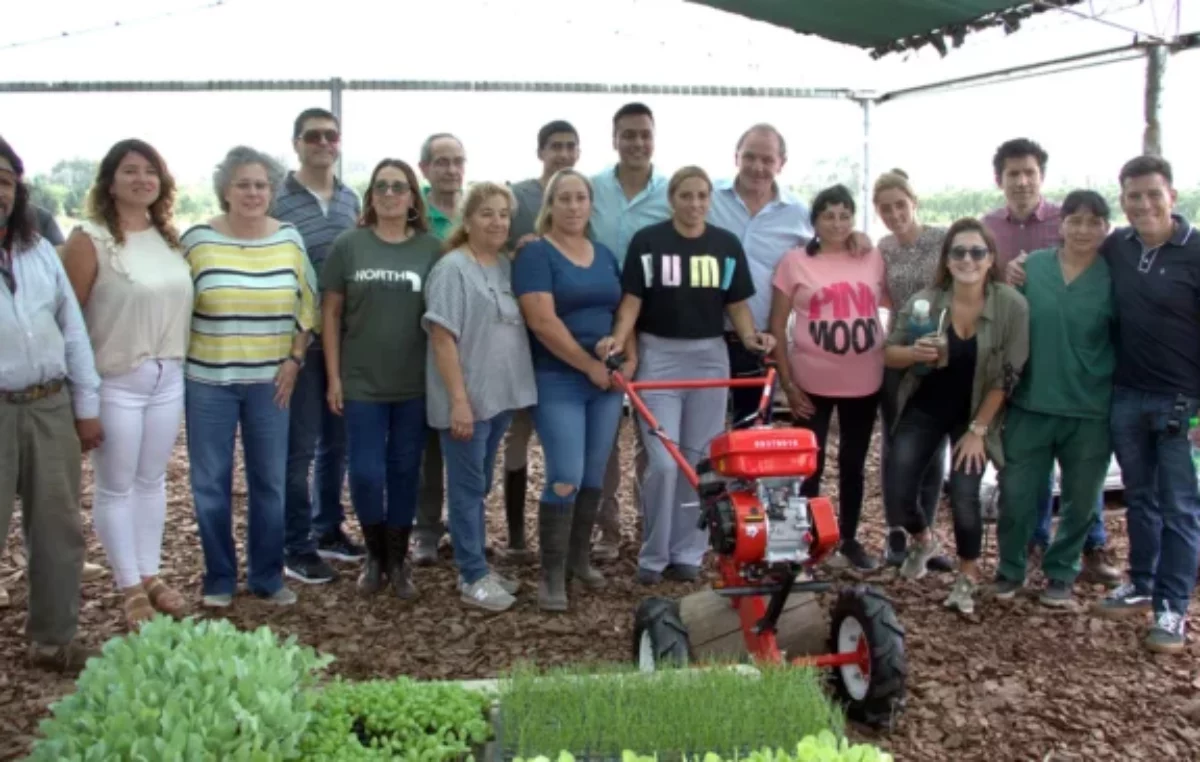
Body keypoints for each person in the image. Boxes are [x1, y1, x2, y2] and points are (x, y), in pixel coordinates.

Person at [1009, 155, 1200, 654]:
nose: (1143, 204)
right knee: (1140, 498)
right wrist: (1016, 267)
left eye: (1152, 194)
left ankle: (1172, 607)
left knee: (1180, 507)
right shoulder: (1120, 246)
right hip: (1128, 396)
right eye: (1133, 196)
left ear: (1172, 196)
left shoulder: (1196, 250)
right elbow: (1065, 261)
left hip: (1184, 401)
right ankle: (1140, 582)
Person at [598, 166, 768, 585]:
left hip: (710, 358)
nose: (694, 204)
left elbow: (738, 305)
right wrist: (618, 340)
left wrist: (751, 338)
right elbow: (632, 302)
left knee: (697, 463)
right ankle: (653, 554)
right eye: (686, 195)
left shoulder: (724, 245)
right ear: (672, 199)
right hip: (660, 358)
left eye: (702, 196)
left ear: (710, 200)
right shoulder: (648, 242)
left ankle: (688, 552)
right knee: (664, 462)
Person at [60, 139, 193, 629]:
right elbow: (69, 322)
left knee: (151, 480)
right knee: (115, 486)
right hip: (115, 380)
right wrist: (83, 401)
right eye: (130, 171)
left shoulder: (168, 239)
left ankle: (150, 572)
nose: (142, 180)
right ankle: (128, 585)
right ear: (110, 182)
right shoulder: (90, 239)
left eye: (151, 172)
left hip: (168, 376)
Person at [181, 146, 316, 609]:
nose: (253, 193)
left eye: (261, 185)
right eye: (243, 184)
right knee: (210, 483)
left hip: (270, 383)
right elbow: (178, 305)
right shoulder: (197, 240)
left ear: (272, 190)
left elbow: (308, 306)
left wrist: (295, 359)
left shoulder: (290, 238)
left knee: (270, 482)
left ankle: (266, 576)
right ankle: (218, 577)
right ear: (225, 190)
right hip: (207, 381)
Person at [982, 138, 1116, 582]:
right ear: (1062, 225)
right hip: (1032, 401)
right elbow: (1005, 324)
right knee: (1019, 492)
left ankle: (1062, 572)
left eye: (1092, 223)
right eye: (1074, 222)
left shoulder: (1114, 276)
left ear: (1105, 229)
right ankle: (1011, 568)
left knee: (1081, 498)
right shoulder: (1031, 267)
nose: (1081, 230)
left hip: (1089, 407)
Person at [888, 218, 1029, 615]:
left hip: (976, 413)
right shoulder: (927, 301)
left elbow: (1009, 375)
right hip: (927, 406)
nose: (968, 259)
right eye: (959, 252)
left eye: (977, 252)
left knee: (965, 496)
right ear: (947, 260)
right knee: (898, 494)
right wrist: (916, 354)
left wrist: (979, 431)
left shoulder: (1010, 305)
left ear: (990, 259)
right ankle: (922, 540)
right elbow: (889, 352)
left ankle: (966, 576)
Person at [0, 137, 102, 672]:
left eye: (4, 181)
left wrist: (86, 405)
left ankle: (54, 638)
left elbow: (72, 328)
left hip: (48, 404)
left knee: (58, 527)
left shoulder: (36, 248)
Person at [321, 159, 440, 600]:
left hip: (414, 384)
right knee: (368, 472)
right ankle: (374, 555)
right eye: (382, 186)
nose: (390, 193)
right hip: (361, 383)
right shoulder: (349, 246)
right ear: (371, 195)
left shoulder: (431, 249)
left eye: (400, 186)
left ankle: (398, 558)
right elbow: (330, 313)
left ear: (413, 197)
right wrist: (333, 377)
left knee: (405, 471)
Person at [513, 168, 625, 609]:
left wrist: (622, 353)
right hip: (558, 377)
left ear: (590, 204)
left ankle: (579, 559)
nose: (574, 206)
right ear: (550, 206)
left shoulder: (603, 253)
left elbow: (620, 311)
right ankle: (551, 575)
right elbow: (541, 321)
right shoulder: (537, 254)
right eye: (565, 199)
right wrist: (587, 365)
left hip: (606, 381)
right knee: (566, 474)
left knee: (594, 473)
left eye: (581, 198)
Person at [424, 182, 536, 612]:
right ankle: (472, 576)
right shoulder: (453, 268)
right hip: (467, 400)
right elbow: (442, 337)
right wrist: (458, 400)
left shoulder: (505, 267)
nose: (497, 221)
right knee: (469, 486)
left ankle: (477, 562)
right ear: (467, 219)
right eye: (486, 213)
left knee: (480, 482)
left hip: (500, 396)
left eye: (503, 214)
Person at [769, 184, 887, 571]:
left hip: (864, 380)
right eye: (828, 215)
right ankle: (800, 543)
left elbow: (895, 302)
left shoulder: (870, 257)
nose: (837, 223)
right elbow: (776, 324)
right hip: (810, 384)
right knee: (807, 464)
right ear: (814, 221)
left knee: (853, 463)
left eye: (844, 214)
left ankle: (849, 539)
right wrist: (788, 384)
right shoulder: (794, 261)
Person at [274, 107, 364, 586]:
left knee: (337, 443)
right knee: (300, 447)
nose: (323, 143)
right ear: (297, 143)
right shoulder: (276, 198)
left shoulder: (351, 199)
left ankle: (327, 527)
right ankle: (295, 544)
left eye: (331, 136)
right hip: (298, 341)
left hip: (344, 341)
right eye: (313, 136)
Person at [589, 102, 672, 561]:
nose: (637, 142)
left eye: (644, 134)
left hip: (656, 321)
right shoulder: (593, 189)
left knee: (651, 426)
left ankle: (650, 522)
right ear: (614, 137)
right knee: (603, 431)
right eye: (628, 134)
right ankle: (605, 527)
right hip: (601, 319)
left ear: (655, 137)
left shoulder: (671, 191)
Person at [500, 120, 582, 565]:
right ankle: (515, 534)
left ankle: (566, 534)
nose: (563, 154)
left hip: (566, 332)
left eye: (571, 147)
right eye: (555, 147)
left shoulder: (580, 195)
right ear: (540, 151)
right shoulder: (518, 197)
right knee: (518, 433)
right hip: (520, 332)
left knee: (563, 442)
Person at [872, 169, 951, 571]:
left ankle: (927, 534)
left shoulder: (942, 240)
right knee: (894, 446)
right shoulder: (881, 248)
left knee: (934, 450)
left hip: (940, 354)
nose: (894, 213)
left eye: (899, 204)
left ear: (913, 202)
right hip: (899, 354)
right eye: (885, 208)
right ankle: (896, 533)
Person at [707, 123, 813, 422]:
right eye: (750, 157)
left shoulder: (798, 213)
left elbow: (823, 253)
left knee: (751, 429)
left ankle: (744, 473)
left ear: (782, 163)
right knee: (700, 431)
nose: (757, 167)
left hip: (759, 339)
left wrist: (854, 240)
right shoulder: (708, 198)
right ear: (736, 157)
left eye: (767, 160)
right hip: (704, 333)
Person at [412, 133, 467, 566]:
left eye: (457, 161)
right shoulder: (416, 217)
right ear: (425, 168)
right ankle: (427, 529)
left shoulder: (474, 212)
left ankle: (465, 525)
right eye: (442, 162)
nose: (451, 169)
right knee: (431, 443)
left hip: (471, 345)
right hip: (423, 340)